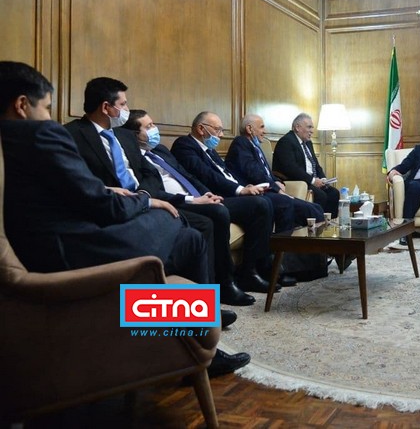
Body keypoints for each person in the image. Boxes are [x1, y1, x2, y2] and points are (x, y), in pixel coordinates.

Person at [0, 61, 249, 377]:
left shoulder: (10, 140)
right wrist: (145, 200)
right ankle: (197, 350)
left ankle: (193, 335)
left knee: (189, 239)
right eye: (47, 108)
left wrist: (111, 192)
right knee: (176, 224)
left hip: (45, 246)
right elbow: (105, 207)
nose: (50, 117)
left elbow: (61, 189)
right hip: (73, 251)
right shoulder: (41, 134)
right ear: (22, 105)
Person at [122, 109, 261, 306]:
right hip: (175, 203)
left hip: (196, 198)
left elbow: (188, 175)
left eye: (153, 124)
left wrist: (207, 194)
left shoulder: (160, 150)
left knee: (239, 207)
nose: (155, 129)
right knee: (216, 214)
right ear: (134, 134)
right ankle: (222, 285)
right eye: (149, 126)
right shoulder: (134, 157)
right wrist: (192, 200)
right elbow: (150, 190)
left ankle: (241, 277)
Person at [170, 111, 291, 289]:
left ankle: (261, 267)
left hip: (229, 193)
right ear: (201, 129)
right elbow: (207, 175)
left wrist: (245, 186)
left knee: (264, 201)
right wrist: (240, 190)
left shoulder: (210, 151)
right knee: (260, 204)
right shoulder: (185, 145)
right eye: (218, 130)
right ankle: (250, 273)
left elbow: (227, 173)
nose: (221, 135)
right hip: (215, 196)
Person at [226, 113, 331, 280]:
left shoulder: (255, 146)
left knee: (315, 209)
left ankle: (312, 266)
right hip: (255, 194)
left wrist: (277, 182)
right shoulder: (241, 143)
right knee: (286, 204)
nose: (265, 131)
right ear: (249, 129)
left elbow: (266, 173)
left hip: (267, 190)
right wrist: (276, 188)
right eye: (261, 127)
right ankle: (281, 268)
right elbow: (253, 173)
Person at [272, 112, 340, 216]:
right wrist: (312, 180)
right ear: (297, 127)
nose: (312, 131)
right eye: (309, 127)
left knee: (334, 193)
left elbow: (316, 165)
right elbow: (291, 168)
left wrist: (323, 179)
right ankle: (316, 224)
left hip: (311, 180)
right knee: (321, 195)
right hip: (297, 180)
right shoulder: (286, 142)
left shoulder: (308, 142)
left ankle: (329, 224)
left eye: (312, 127)